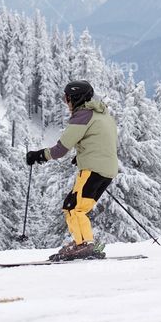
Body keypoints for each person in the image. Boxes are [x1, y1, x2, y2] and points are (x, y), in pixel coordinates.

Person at [26, 80, 118, 261]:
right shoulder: (102, 114)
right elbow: (102, 138)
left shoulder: (82, 116)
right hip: (107, 170)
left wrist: (39, 155)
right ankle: (83, 242)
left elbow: (60, 150)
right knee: (75, 206)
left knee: (73, 208)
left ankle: (84, 244)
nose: (66, 102)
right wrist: (84, 152)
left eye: (67, 98)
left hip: (93, 169)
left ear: (75, 98)